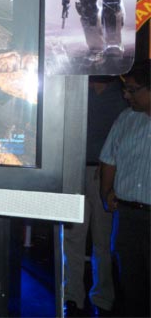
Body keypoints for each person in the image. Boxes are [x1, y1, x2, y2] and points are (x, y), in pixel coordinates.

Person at [63, 76, 128, 317]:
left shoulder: (122, 93)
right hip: (75, 169)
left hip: (106, 173)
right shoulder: (77, 88)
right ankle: (72, 295)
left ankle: (102, 297)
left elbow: (126, 136)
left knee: (103, 239)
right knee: (73, 237)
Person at [99, 60, 151, 318]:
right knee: (130, 286)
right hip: (127, 216)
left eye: (132, 90)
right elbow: (109, 158)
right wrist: (106, 192)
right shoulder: (126, 119)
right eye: (125, 90)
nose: (126, 96)